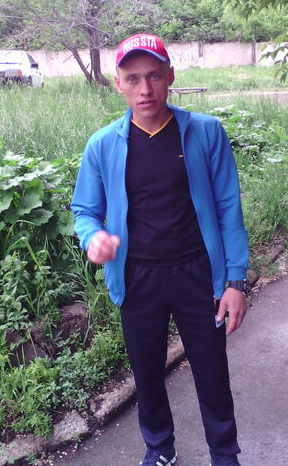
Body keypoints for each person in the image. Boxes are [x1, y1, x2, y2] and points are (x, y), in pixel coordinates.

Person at [71, 33, 250, 466]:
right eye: (133, 79)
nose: (145, 89)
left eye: (153, 76)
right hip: (137, 279)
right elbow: (85, 210)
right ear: (118, 83)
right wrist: (93, 238)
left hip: (198, 275)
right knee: (147, 374)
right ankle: (160, 447)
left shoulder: (205, 132)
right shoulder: (103, 145)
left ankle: (224, 454)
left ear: (170, 76)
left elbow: (228, 208)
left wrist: (235, 281)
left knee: (212, 373)